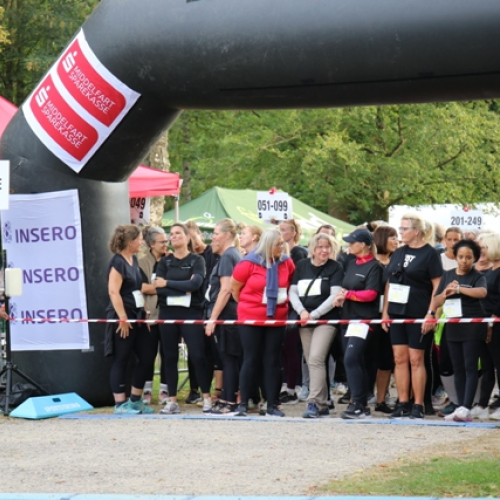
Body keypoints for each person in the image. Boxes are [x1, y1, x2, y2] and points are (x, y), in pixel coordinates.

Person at [382, 213, 443, 419]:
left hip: (418, 312)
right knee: (399, 358)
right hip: (397, 312)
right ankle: (403, 402)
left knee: (416, 358)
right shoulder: (398, 252)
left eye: (404, 228)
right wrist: (385, 311)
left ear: (416, 231)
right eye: (400, 228)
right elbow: (390, 283)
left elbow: (437, 286)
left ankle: (418, 404)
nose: (400, 232)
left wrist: (431, 313)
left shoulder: (430, 254)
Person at [231, 228, 295, 417]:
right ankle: (243, 403)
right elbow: (235, 289)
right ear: (267, 245)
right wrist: (250, 305)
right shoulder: (248, 263)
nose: (282, 247)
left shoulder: (287, 262)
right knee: (251, 358)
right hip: (251, 317)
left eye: (282, 243)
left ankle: (271, 404)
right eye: (278, 245)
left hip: (277, 318)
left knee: (272, 360)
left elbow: (290, 284)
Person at [154, 223, 212, 414]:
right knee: (169, 356)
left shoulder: (197, 260)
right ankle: (172, 400)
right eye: (171, 234)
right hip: (168, 312)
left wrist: (168, 283)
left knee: (197, 355)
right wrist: (181, 286)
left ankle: (206, 396)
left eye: (178, 233)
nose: (174, 236)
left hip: (191, 312)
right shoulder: (165, 262)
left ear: (187, 237)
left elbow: (195, 284)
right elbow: (158, 288)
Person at [289, 233, 343, 418]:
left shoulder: (335, 267)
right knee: (310, 359)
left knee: (316, 358)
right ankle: (323, 402)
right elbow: (293, 292)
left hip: (325, 320)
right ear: (313, 248)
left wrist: (314, 314)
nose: (324, 250)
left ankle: (313, 402)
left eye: (327, 247)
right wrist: (302, 311)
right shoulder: (302, 265)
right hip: (305, 319)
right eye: (320, 247)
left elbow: (334, 296)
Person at [433, 239, 487, 422]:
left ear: (474, 258)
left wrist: (459, 289)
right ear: (455, 257)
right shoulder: (447, 275)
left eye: (468, 257)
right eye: (461, 257)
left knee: (470, 366)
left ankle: (466, 407)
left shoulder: (477, 276)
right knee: (457, 367)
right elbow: (436, 301)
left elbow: (482, 292)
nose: (464, 261)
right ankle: (459, 405)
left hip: (472, 325)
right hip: (453, 325)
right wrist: (446, 292)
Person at [105, 225, 156, 414]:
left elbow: (137, 288)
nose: (142, 242)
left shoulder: (133, 260)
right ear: (130, 242)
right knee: (122, 358)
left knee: (146, 357)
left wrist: (145, 310)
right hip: (123, 315)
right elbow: (113, 291)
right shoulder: (117, 263)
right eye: (140, 239)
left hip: (138, 315)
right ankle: (120, 404)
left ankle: (135, 400)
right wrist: (123, 318)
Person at [333, 229, 383, 419]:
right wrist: (341, 296)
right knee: (354, 360)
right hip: (348, 318)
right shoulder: (351, 263)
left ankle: (359, 403)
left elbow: (371, 294)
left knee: (351, 358)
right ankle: (360, 403)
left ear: (363, 245)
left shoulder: (375, 266)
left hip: (363, 319)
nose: (349, 245)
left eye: (352, 242)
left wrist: (349, 295)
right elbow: (347, 287)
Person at [204, 218, 242, 414]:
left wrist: (213, 318)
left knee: (229, 359)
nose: (213, 238)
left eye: (216, 234)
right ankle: (227, 397)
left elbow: (226, 289)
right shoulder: (233, 254)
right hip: (230, 315)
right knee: (229, 359)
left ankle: (229, 400)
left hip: (227, 315)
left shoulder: (228, 256)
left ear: (227, 235)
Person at [184, 220, 219, 404]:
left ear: (198, 233)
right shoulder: (187, 257)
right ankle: (194, 389)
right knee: (194, 351)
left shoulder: (211, 253)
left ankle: (214, 389)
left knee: (212, 350)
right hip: (192, 306)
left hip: (209, 306)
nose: (191, 241)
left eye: (192, 236)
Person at [139, 226, 170, 405]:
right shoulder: (142, 262)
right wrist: (164, 286)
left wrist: (165, 286)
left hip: (167, 315)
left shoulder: (171, 260)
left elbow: (176, 284)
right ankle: (147, 390)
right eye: (162, 242)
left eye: (167, 241)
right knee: (148, 355)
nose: (166, 244)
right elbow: (141, 287)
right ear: (151, 244)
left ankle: (165, 390)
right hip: (149, 317)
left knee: (167, 354)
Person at [279, 219, 308, 404]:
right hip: (282, 303)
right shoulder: (280, 253)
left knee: (292, 347)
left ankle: (294, 386)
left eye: (284, 230)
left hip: (294, 305)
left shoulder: (298, 253)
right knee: (283, 348)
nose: (280, 233)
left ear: (293, 233)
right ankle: (285, 384)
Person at [372, 224, 399, 413]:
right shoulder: (370, 262)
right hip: (370, 314)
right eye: (392, 237)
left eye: (397, 237)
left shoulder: (397, 262)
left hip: (392, 315)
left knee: (386, 359)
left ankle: (381, 400)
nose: (396, 241)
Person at [475, 233, 500, 420]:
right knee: (487, 365)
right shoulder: (490, 271)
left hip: (495, 323)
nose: (481, 251)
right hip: (485, 322)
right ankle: (482, 404)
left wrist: (491, 321)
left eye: (484, 247)